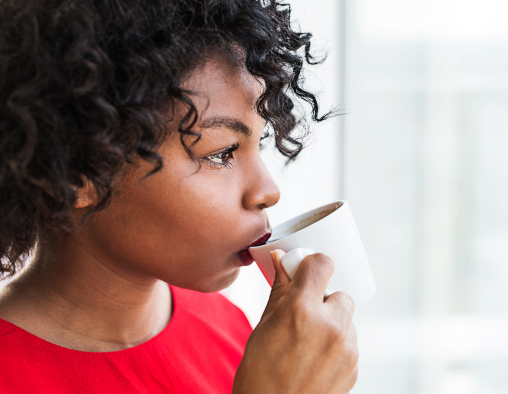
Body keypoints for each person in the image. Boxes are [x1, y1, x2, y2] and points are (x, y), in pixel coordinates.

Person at [0, 0, 358, 393]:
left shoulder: (232, 328)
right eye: (221, 153)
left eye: (260, 142)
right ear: (74, 174)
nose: (268, 191)